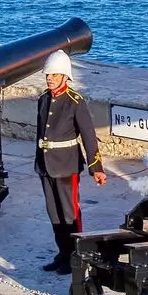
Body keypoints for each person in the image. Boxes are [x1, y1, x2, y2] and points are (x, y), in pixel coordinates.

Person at [34, 49, 104, 272]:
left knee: (69, 213)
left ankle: (77, 257)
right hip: (46, 165)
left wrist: (96, 168)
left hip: (66, 165)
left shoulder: (75, 102)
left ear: (65, 76)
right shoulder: (44, 99)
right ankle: (63, 253)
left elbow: (89, 136)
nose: (50, 78)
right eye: (48, 75)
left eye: (54, 75)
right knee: (53, 212)